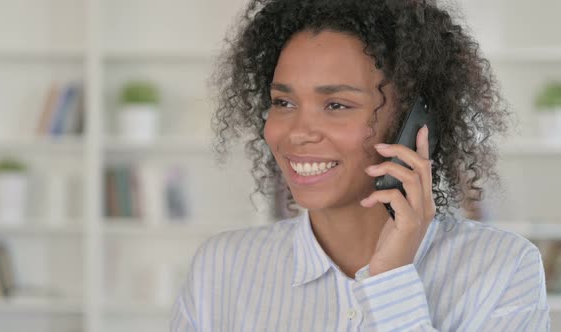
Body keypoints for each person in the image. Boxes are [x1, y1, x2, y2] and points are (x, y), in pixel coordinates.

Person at [170, 0, 551, 330]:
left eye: (336, 105)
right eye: (283, 102)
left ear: (413, 124)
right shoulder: (220, 269)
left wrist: (391, 280)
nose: (298, 133)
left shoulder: (502, 268)